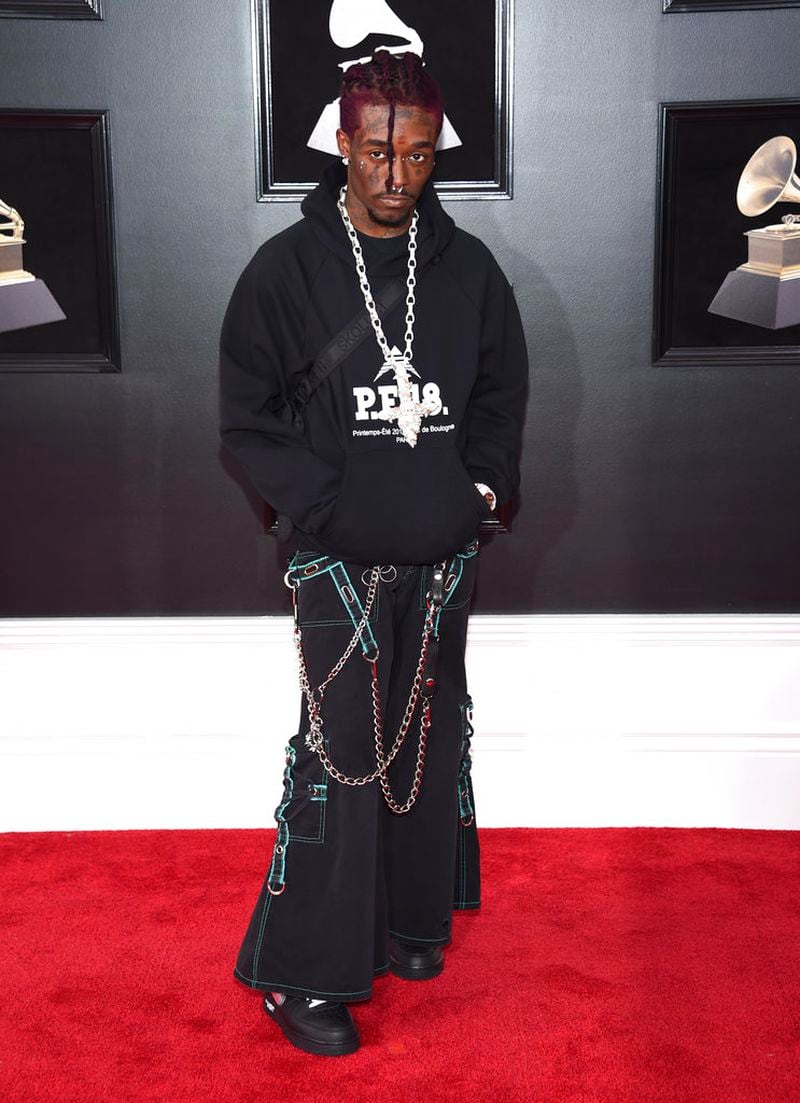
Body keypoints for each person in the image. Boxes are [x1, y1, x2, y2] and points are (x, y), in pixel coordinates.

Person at [218, 50, 528, 1057]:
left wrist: (472, 492)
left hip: (440, 553)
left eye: (419, 154)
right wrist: (331, 508)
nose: (397, 175)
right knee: (343, 758)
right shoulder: (285, 270)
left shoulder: (468, 269)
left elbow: (496, 394)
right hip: (335, 559)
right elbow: (247, 421)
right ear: (342, 144)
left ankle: (404, 918)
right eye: (378, 152)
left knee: (426, 741)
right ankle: (298, 970)